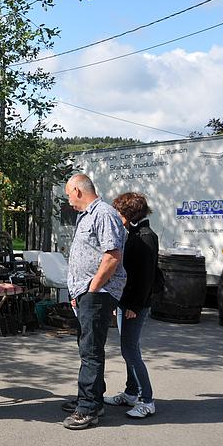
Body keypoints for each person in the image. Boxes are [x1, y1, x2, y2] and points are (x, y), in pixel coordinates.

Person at [61, 173, 127, 430]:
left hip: (97, 295)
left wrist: (92, 288)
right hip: (87, 293)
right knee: (87, 347)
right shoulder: (88, 215)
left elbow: (112, 257)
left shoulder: (103, 214)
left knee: (90, 351)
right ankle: (91, 398)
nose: (68, 199)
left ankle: (88, 408)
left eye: (68, 194)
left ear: (78, 190)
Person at [106, 192, 158, 418]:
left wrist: (134, 306)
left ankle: (147, 400)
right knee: (128, 349)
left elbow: (145, 277)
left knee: (130, 350)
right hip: (126, 302)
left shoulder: (145, 236)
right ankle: (130, 392)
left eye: (119, 212)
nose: (116, 216)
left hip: (135, 304)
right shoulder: (134, 234)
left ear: (129, 213)